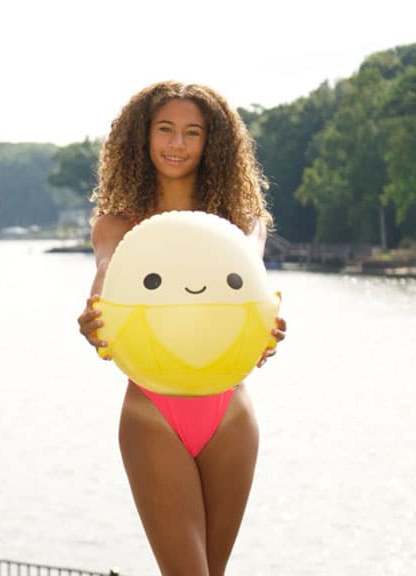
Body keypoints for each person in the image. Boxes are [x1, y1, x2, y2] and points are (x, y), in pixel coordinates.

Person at [77, 81, 287, 576]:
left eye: (192, 132)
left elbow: (252, 298)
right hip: (152, 411)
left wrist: (271, 328)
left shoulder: (245, 222)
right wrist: (94, 319)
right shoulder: (116, 224)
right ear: (143, 136)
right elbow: (106, 279)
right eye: (165, 129)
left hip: (230, 410)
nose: (177, 144)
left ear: (211, 143)